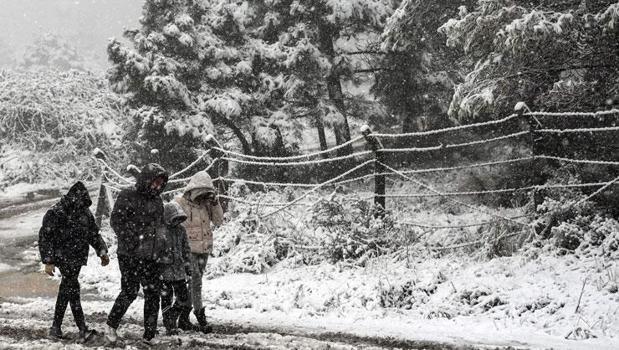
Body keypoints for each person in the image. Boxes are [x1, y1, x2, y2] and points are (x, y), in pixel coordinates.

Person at [104, 163, 169, 345]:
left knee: (152, 292)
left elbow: (160, 227)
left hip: (151, 255)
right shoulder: (128, 195)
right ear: (147, 180)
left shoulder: (158, 201)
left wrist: (162, 249)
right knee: (130, 291)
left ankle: (149, 335)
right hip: (129, 254)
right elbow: (116, 221)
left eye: (160, 184)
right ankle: (111, 325)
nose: (157, 187)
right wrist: (133, 241)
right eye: (155, 183)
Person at [38, 181, 109, 343]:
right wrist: (49, 261)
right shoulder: (56, 212)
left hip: (77, 258)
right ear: (73, 199)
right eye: (80, 203)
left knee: (67, 289)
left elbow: (93, 234)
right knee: (72, 288)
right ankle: (81, 328)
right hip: (62, 257)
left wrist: (102, 251)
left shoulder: (85, 212)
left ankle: (57, 327)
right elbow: (45, 238)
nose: (82, 206)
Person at [175, 171, 224, 333]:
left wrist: (215, 203)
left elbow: (218, 221)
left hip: (203, 250)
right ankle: (199, 316)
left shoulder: (208, 205)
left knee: (193, 285)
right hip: (187, 250)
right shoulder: (180, 203)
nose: (203, 197)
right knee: (195, 283)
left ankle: (183, 317)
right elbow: (171, 222)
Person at [159, 201, 192, 335]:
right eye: (174, 218)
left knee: (183, 297)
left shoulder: (181, 230)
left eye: (179, 219)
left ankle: (173, 314)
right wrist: (159, 265)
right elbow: (156, 251)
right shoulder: (160, 231)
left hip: (179, 270)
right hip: (164, 271)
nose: (177, 222)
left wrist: (188, 265)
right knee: (166, 298)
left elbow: (186, 249)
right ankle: (169, 325)